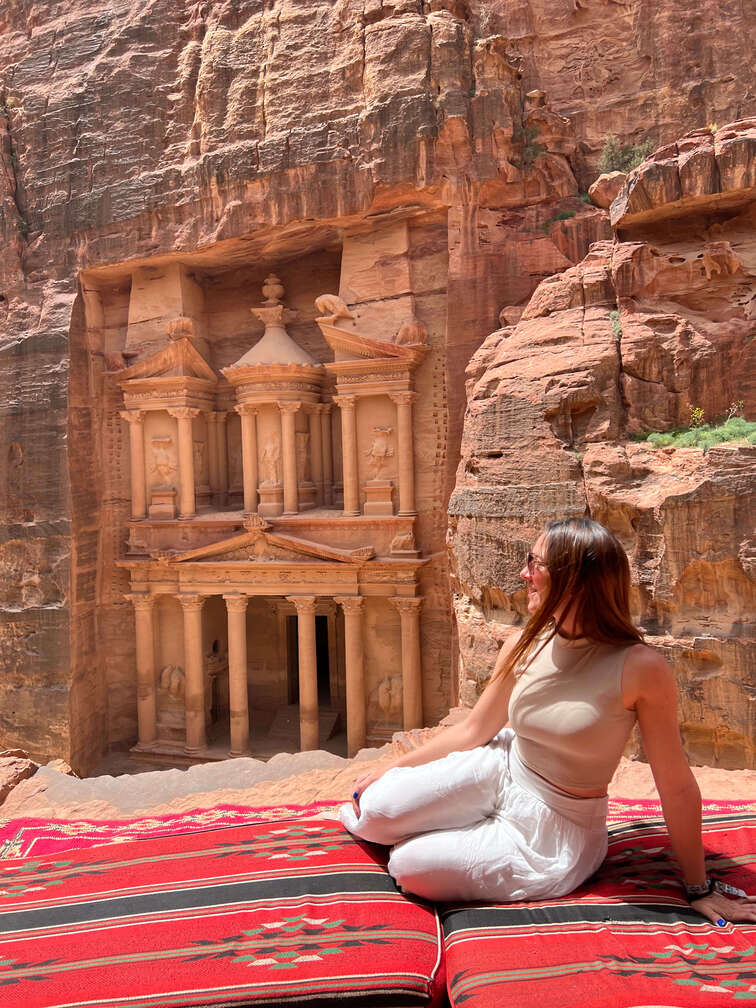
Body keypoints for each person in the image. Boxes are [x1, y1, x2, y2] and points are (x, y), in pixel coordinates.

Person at [340, 518, 756, 926]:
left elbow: (676, 784)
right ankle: (452, 817)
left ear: (573, 580)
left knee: (412, 867)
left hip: (558, 821)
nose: (524, 574)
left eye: (535, 564)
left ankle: (455, 827)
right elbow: (474, 729)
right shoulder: (527, 642)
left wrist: (699, 887)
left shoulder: (640, 667)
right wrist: (390, 769)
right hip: (500, 766)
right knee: (374, 810)